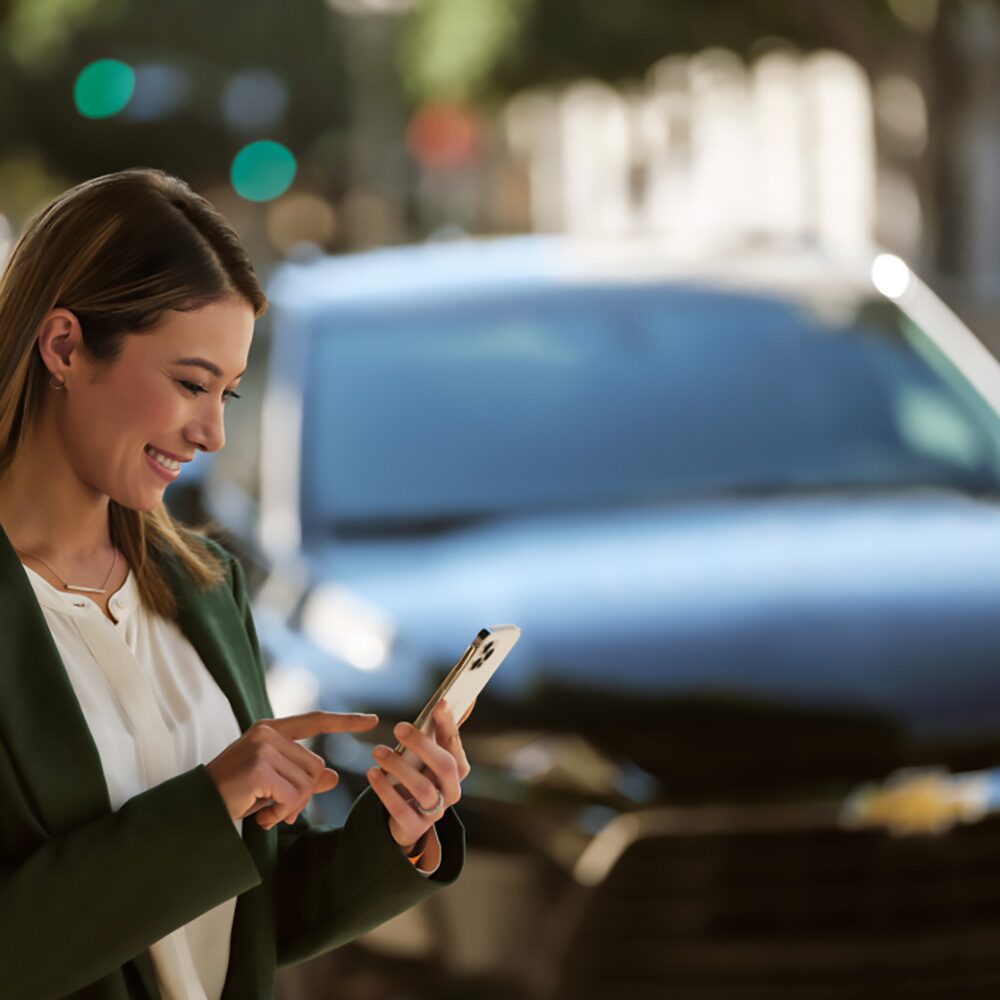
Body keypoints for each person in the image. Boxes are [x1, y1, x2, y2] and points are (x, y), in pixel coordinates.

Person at [0, 168, 467, 999]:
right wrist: (210, 801)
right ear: (64, 346)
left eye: (228, 391)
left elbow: (235, 912)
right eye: (189, 383)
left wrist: (393, 833)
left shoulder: (203, 589)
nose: (214, 432)